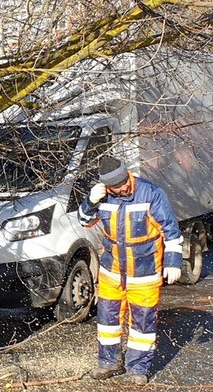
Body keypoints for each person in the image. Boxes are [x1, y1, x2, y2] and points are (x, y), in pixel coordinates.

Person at [78, 156, 183, 386]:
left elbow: (171, 230)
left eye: (124, 180)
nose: (123, 186)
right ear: (107, 186)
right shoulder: (102, 196)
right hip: (112, 271)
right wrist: (90, 201)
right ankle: (108, 363)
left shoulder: (151, 194)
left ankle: (138, 367)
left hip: (144, 271)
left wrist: (174, 261)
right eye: (116, 185)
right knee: (107, 321)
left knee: (142, 324)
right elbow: (85, 221)